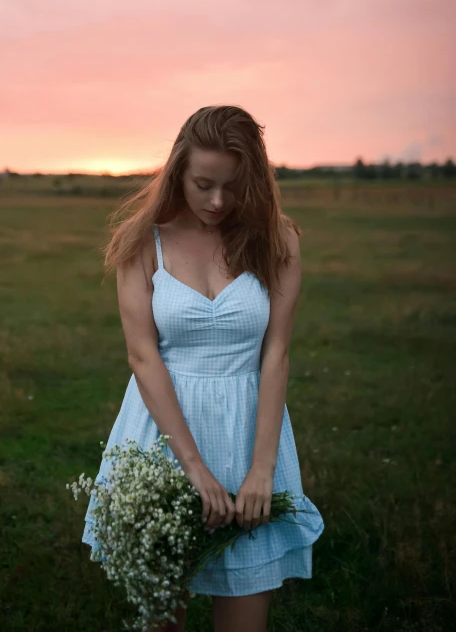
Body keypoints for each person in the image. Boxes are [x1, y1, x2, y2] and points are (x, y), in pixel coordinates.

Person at [82, 105, 324, 632]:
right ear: (177, 173)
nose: (218, 201)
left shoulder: (277, 240)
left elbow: (276, 351)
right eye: (203, 184)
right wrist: (193, 470)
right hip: (163, 438)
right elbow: (143, 356)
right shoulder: (143, 242)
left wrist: (261, 469)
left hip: (248, 434)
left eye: (233, 186)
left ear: (254, 180)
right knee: (162, 620)